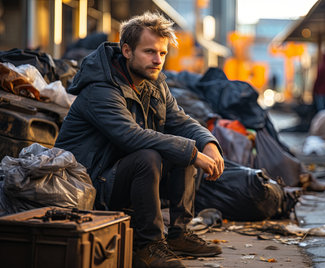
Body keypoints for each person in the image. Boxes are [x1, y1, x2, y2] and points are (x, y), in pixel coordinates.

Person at [55, 12, 224, 268]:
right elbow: (131, 136)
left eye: (163, 54)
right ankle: (148, 246)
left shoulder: (153, 83)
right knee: (154, 154)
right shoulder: (100, 89)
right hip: (87, 185)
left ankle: (178, 234)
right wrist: (192, 152)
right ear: (126, 50)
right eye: (149, 52)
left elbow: (180, 120)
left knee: (181, 144)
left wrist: (209, 144)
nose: (157, 60)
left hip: (120, 175)